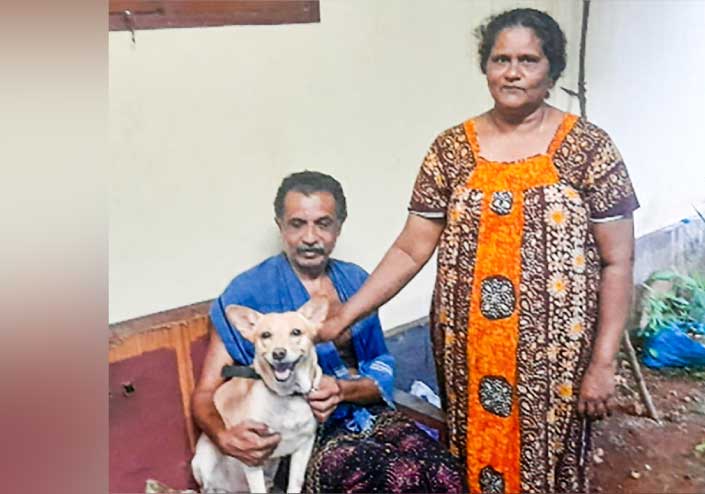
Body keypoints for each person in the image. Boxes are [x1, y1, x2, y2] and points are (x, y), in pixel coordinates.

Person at [317, 8, 640, 494]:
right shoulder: (451, 150)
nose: (512, 72)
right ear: (485, 66)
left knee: (547, 467)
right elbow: (410, 248)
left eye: (528, 60)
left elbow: (618, 261)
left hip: (555, 358)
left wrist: (603, 361)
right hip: (469, 354)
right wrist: (346, 315)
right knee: (474, 459)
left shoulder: (589, 149)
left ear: (552, 70)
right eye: (500, 59)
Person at [191, 171, 464, 493]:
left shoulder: (357, 283)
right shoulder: (248, 293)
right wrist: (224, 437)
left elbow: (381, 365)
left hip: (366, 413)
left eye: (323, 223)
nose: (310, 237)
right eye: (297, 224)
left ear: (338, 227)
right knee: (395, 478)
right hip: (298, 435)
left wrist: (344, 390)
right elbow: (206, 392)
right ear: (281, 226)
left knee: (444, 472)